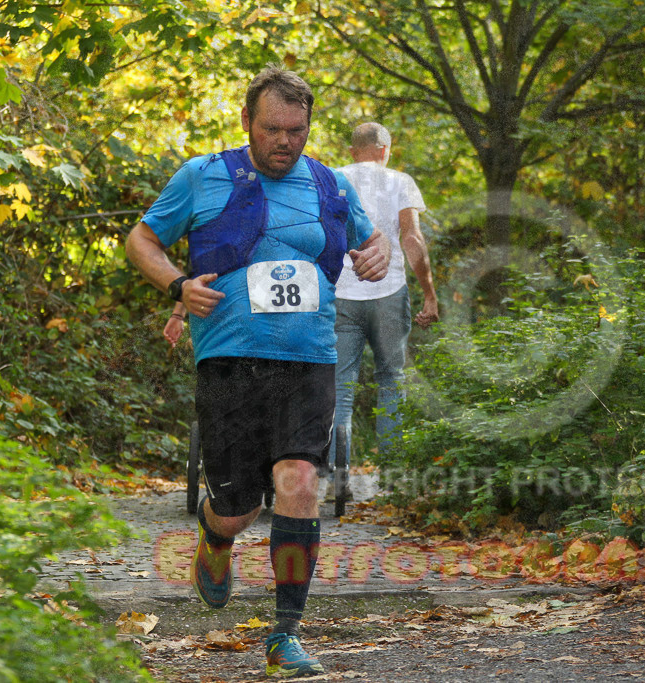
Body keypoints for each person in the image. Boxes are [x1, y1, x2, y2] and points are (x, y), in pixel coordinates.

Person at [125, 66, 391, 679]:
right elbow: (142, 240)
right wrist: (175, 285)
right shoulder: (202, 175)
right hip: (229, 360)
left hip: (309, 359)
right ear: (248, 122)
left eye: (296, 130)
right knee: (238, 507)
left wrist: (377, 251)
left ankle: (285, 633)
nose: (285, 142)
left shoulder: (329, 185)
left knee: (300, 482)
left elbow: (370, 242)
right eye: (272, 129)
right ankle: (216, 538)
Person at [329, 122, 437, 484]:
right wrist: (429, 294)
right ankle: (393, 478)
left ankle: (338, 473)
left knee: (340, 384)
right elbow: (412, 239)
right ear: (385, 150)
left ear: (352, 151)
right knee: (392, 379)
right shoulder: (400, 181)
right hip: (389, 292)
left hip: (341, 293)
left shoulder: (332, 178)